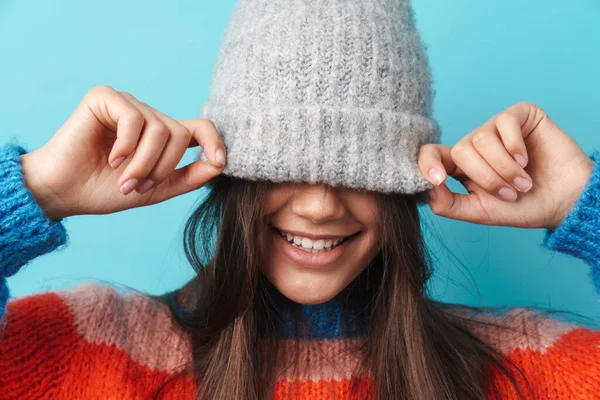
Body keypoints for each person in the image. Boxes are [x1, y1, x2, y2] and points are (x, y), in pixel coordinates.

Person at [1, 0, 599, 399]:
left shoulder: (522, 368)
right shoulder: (83, 345)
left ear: (406, 183)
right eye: (282, 167)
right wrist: (36, 191)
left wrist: (585, 203)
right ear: (230, 172)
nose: (319, 207)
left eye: (358, 169)